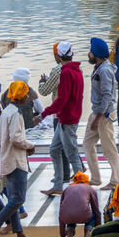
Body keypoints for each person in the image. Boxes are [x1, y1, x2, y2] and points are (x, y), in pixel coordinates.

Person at [0, 82, 38, 237]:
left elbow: (2, 139)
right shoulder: (15, 113)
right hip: (16, 162)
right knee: (18, 199)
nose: (28, 97)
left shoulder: (6, 111)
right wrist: (30, 146)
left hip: (7, 160)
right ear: (21, 96)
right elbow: (16, 139)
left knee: (13, 198)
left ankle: (19, 234)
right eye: (26, 94)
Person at [39, 41, 85, 197]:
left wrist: (43, 114)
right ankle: (58, 185)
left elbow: (62, 99)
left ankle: (81, 188)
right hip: (69, 116)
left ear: (58, 56)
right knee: (54, 149)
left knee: (71, 153)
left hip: (67, 118)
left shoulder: (66, 72)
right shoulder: (76, 70)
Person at [83, 37, 119, 189]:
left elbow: (107, 95)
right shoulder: (99, 67)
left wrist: (99, 117)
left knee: (109, 149)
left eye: (90, 51)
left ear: (96, 53)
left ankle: (115, 180)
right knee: (87, 144)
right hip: (96, 112)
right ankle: (96, 178)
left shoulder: (105, 70)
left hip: (104, 115)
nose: (89, 54)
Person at [57, 171, 101, 237]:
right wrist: (99, 231)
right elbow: (96, 210)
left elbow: (61, 211)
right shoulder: (90, 189)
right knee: (92, 215)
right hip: (84, 215)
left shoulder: (67, 189)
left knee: (70, 212)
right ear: (87, 181)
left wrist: (62, 236)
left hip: (66, 216)